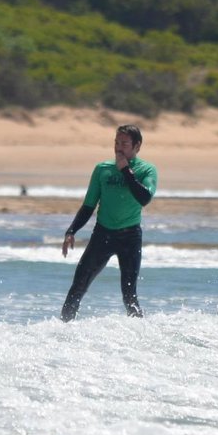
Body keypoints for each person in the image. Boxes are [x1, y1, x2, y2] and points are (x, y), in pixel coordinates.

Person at [60, 124, 158, 321]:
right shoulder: (102, 170)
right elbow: (89, 205)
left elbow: (144, 198)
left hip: (130, 238)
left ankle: (142, 334)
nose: (118, 148)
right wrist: (71, 230)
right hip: (102, 235)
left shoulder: (147, 170)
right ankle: (62, 330)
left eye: (124, 143)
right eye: (116, 142)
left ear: (137, 146)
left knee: (129, 295)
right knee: (78, 286)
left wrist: (126, 171)